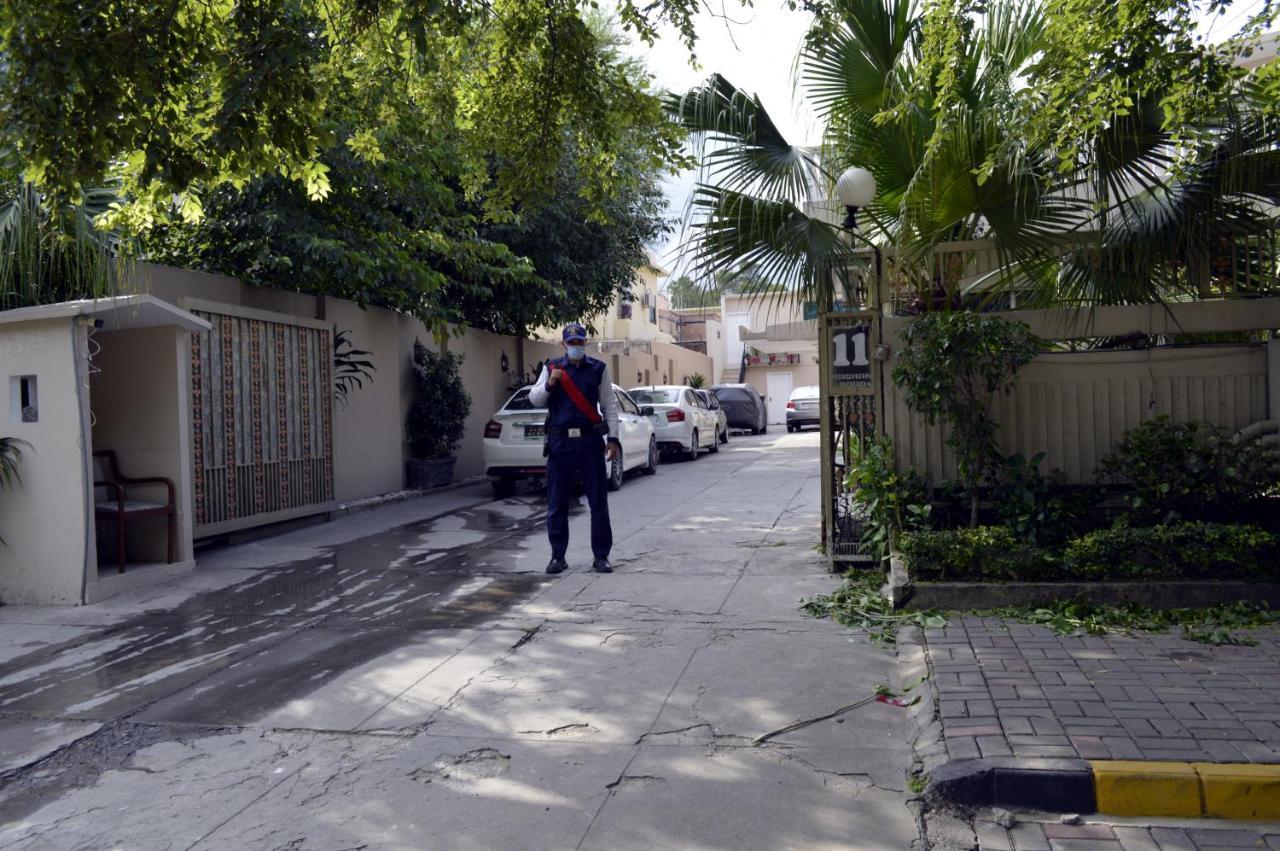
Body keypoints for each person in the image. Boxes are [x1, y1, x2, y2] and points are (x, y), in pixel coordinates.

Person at [529, 324, 620, 575]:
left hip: (590, 442)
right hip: (560, 443)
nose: (576, 347)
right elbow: (534, 398)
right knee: (557, 501)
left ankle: (601, 556)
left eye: (580, 342)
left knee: (598, 501)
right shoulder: (552, 368)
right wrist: (550, 384)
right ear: (563, 344)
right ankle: (557, 556)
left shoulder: (598, 369)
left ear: (585, 343)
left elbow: (609, 406)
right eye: (572, 343)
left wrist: (613, 439)